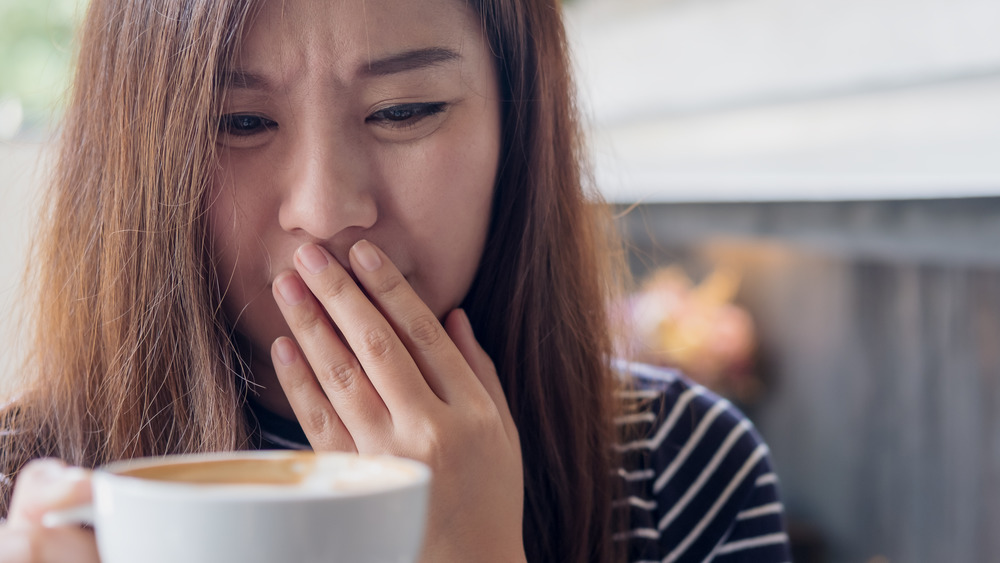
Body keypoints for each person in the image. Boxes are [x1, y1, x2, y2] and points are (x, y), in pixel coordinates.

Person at [0, 0, 792, 561]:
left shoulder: (683, 471)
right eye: (240, 122)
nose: (324, 209)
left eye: (405, 110)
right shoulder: (25, 490)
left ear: (517, 127)